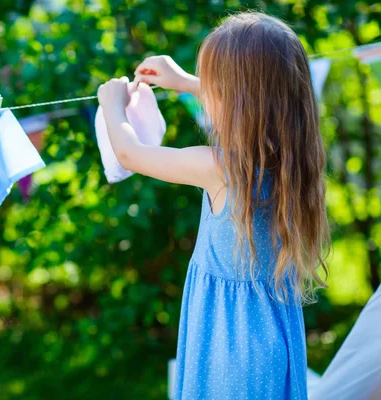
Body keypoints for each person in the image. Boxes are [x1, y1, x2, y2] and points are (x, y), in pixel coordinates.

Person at [97, 12, 330, 399]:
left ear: (237, 100)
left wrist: (112, 104)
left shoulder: (220, 167)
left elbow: (130, 154)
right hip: (269, 337)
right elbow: (256, 94)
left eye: (214, 86)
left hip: (230, 344)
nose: (208, 94)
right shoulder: (290, 155)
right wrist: (184, 81)